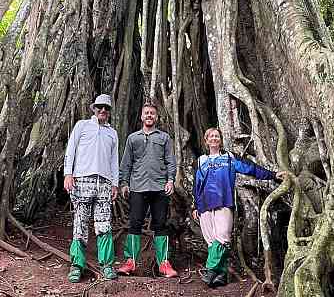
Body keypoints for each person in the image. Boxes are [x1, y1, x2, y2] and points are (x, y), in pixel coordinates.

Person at [192, 127, 287, 288]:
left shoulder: (229, 158)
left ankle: (210, 270)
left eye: (217, 136)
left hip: (224, 201)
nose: (214, 138)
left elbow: (250, 168)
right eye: (211, 136)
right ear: (206, 141)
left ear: (220, 139)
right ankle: (221, 275)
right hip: (204, 205)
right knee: (211, 241)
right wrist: (194, 206)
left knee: (222, 238)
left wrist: (272, 175)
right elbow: (197, 185)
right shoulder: (200, 161)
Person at [118, 102, 178, 278]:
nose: (149, 115)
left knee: (161, 224)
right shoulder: (133, 138)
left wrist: (170, 180)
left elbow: (170, 161)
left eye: (152, 113)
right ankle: (131, 262)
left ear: (156, 117)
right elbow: (126, 162)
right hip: (138, 187)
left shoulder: (164, 138)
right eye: (146, 113)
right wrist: (124, 182)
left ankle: (164, 263)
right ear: (142, 117)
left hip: (160, 187)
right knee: (135, 223)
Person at [63, 94, 119, 283]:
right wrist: (68, 174)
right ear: (93, 108)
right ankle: (77, 266)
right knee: (80, 224)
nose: (103, 110)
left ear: (110, 112)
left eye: (106, 108)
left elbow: (114, 160)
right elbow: (71, 150)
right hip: (82, 181)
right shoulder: (82, 125)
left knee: (104, 225)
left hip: (103, 184)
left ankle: (107, 265)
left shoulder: (112, 133)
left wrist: (115, 183)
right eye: (100, 107)